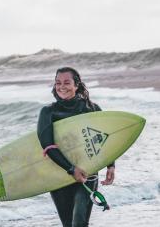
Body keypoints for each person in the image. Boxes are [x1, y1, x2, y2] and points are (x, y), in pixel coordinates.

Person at [37, 67, 115, 227]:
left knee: (79, 222)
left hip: (88, 172)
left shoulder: (92, 109)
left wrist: (111, 165)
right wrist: (71, 169)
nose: (62, 86)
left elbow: (107, 139)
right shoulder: (48, 112)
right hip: (60, 174)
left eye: (67, 82)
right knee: (68, 224)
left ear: (77, 85)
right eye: (58, 83)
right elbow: (48, 146)